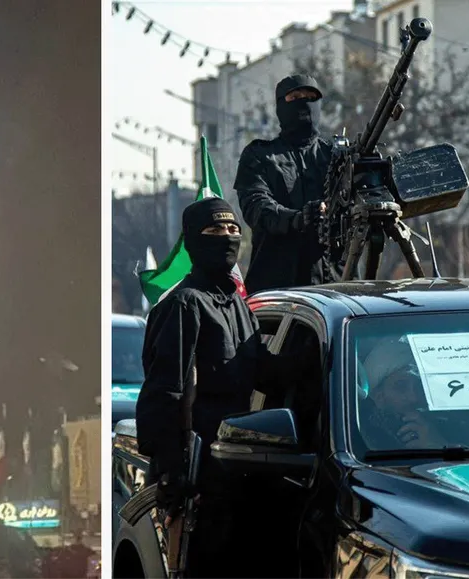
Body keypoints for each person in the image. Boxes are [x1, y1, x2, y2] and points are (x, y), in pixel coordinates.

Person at [135, 197, 287, 578]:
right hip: (199, 474)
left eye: (234, 230)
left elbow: (266, 373)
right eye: (215, 230)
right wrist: (174, 473)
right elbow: (164, 394)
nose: (228, 237)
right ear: (192, 242)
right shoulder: (185, 305)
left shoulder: (237, 305)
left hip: (239, 467)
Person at [233, 73, 335, 294]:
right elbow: (257, 208)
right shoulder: (260, 156)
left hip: (337, 286)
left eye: (310, 97)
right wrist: (297, 219)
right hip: (278, 291)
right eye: (295, 97)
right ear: (280, 106)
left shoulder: (336, 156)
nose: (304, 102)